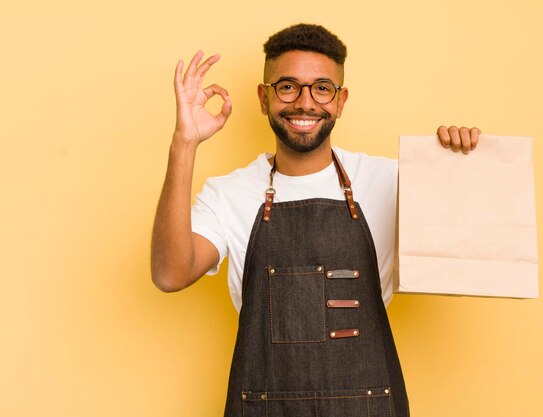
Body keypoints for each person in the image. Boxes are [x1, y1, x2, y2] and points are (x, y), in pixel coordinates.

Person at [151, 23, 480, 417]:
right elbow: (171, 274)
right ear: (263, 97)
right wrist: (184, 142)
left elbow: (469, 243)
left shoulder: (391, 181)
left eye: (322, 88)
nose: (305, 103)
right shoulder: (230, 193)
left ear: (340, 101)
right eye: (288, 86)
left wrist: (459, 163)